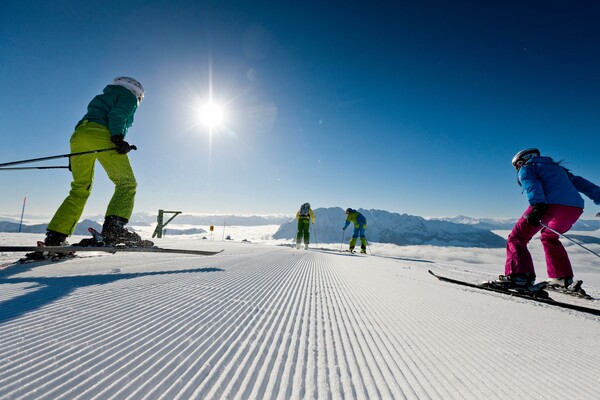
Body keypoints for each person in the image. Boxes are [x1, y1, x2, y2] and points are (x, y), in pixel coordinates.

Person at [43, 77, 149, 247]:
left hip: (79, 136)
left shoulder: (103, 96)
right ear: (137, 93)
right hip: (102, 134)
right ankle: (114, 230)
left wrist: (75, 158)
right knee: (126, 183)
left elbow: (86, 122)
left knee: (80, 188)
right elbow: (117, 114)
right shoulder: (129, 97)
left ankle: (55, 236)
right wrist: (117, 137)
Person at [493, 148, 600, 290]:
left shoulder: (527, 167)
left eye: (516, 166)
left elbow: (533, 186)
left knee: (517, 238)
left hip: (548, 205)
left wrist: (537, 207)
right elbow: (582, 183)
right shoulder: (559, 169)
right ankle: (561, 278)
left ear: (520, 161)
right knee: (550, 237)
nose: (517, 169)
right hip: (574, 208)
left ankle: (519, 277)